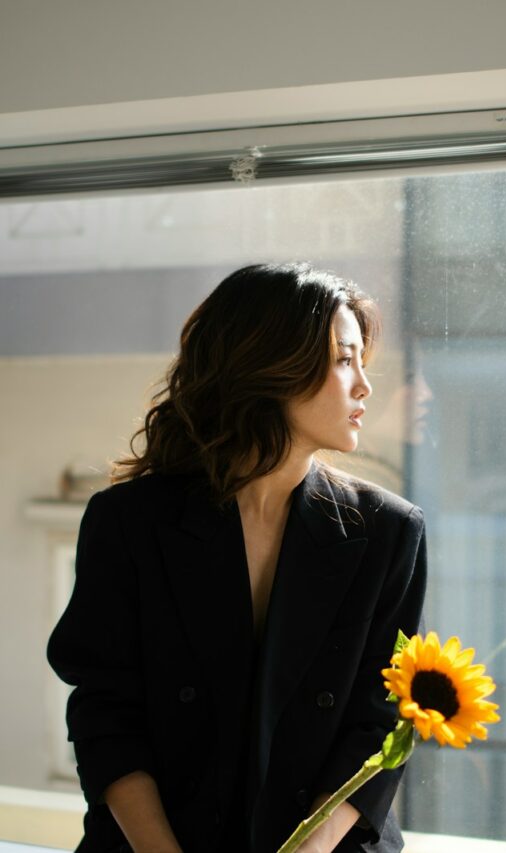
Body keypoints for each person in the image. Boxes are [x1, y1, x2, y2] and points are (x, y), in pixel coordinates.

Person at [47, 262, 428, 853]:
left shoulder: (387, 532)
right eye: (344, 359)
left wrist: (307, 848)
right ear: (271, 368)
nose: (364, 386)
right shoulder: (129, 522)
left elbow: (382, 719)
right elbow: (105, 711)